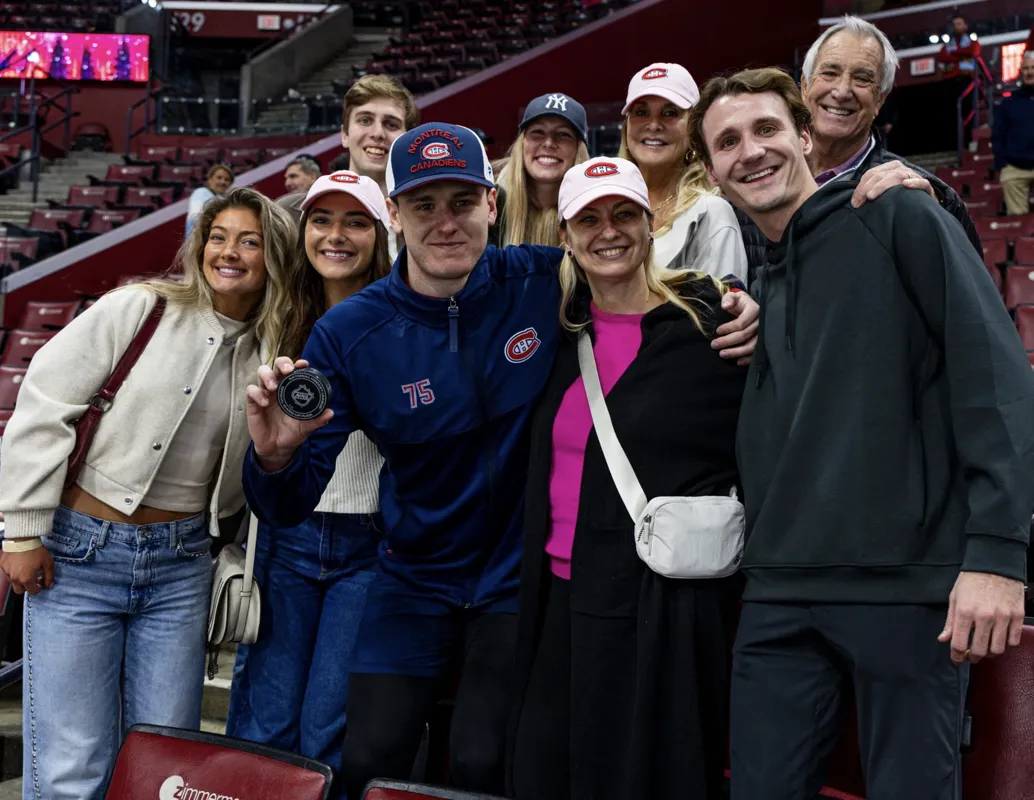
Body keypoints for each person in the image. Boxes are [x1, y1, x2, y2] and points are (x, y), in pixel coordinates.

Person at [241, 122, 760, 799]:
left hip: (516, 580)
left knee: (487, 761)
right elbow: (288, 501)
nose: (445, 222)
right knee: (367, 755)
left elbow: (636, 289)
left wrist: (726, 299)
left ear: (492, 204)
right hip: (413, 577)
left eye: (462, 201)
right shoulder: (349, 332)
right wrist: (276, 458)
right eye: (424, 205)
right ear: (394, 215)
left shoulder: (542, 281)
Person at [691, 66, 1034, 800]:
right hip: (779, 593)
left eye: (766, 130)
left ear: (807, 138)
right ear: (713, 173)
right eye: (727, 142)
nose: (750, 151)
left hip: (906, 595)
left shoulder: (898, 216)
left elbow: (997, 382)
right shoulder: (756, 280)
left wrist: (999, 557)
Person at [0, 187, 295, 800]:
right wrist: (23, 530)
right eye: (218, 237)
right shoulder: (140, 308)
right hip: (78, 555)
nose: (229, 252)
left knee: (165, 759)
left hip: (182, 564)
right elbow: (44, 406)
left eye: (250, 240)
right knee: (70, 764)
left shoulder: (272, 348)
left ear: (275, 256)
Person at [509, 157, 746, 800]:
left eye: (622, 215)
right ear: (565, 234)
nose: (606, 231)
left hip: (662, 608)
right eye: (588, 218)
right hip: (559, 598)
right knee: (542, 771)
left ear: (651, 224)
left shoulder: (711, 328)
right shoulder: (553, 335)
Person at [225, 171, 391, 791]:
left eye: (356, 222)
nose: (336, 236)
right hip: (287, 540)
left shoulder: (403, 315)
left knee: (329, 728)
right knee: (266, 724)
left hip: (368, 543)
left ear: (380, 233)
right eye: (322, 220)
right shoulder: (275, 314)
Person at [738, 16, 982, 282]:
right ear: (805, 87)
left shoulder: (917, 192)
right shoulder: (758, 177)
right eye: (829, 73)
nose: (842, 91)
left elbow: (967, 289)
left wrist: (935, 220)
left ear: (880, 100)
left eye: (862, 79)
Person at [619, 62, 748, 282]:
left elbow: (722, 311)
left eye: (670, 113)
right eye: (641, 112)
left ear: (693, 128)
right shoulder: (605, 203)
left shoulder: (712, 213)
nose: (653, 125)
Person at [278, 74, 419, 261]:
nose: (377, 133)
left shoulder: (423, 218)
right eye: (365, 120)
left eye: (391, 124)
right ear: (345, 134)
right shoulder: (286, 213)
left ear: (407, 140)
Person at [489, 92, 590, 247]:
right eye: (538, 132)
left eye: (563, 134)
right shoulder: (491, 202)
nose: (549, 143)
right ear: (522, 144)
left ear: (578, 149)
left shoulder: (594, 206)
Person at [993, 50, 1034, 215]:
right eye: (1025, 68)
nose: (1030, 72)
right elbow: (997, 135)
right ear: (1020, 72)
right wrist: (1002, 165)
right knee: (1018, 224)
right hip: (1015, 169)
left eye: (1033, 68)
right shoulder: (1008, 103)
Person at [186, 162, 234, 237]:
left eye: (227, 180)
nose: (223, 182)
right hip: (197, 243)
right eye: (219, 177)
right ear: (210, 180)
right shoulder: (201, 192)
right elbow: (194, 218)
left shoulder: (226, 200)